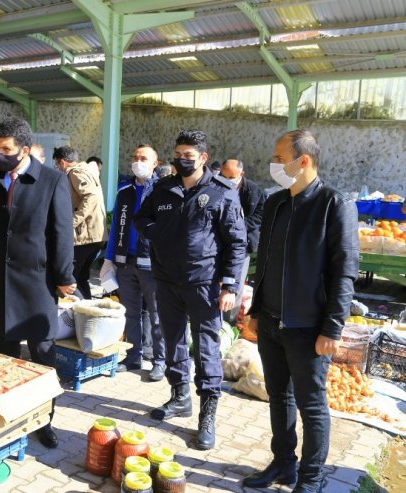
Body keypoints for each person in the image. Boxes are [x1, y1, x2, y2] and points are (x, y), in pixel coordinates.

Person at [242, 130, 359, 493]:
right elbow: (265, 263)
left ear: (303, 160)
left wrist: (333, 328)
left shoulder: (333, 205)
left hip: (308, 327)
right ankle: (283, 464)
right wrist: (257, 309)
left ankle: (311, 479)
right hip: (273, 321)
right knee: (279, 397)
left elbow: (345, 271)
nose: (274, 164)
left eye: (280, 157)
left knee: (311, 406)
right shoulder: (276, 203)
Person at [0, 117, 76, 449]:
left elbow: (61, 234)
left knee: (42, 353)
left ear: (24, 150)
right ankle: (11, 417)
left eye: (6, 150)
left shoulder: (52, 181)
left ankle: (44, 420)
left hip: (38, 282)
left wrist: (65, 277)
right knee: (6, 355)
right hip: (1, 280)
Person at [134, 129, 246, 450]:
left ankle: (207, 414)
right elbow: (142, 219)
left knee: (206, 347)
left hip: (205, 284)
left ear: (204, 158)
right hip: (167, 281)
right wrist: (157, 231)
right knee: (173, 341)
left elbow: (237, 243)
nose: (182, 160)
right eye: (178, 154)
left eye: (189, 156)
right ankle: (180, 397)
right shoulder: (164, 188)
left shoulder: (222, 192)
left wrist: (229, 286)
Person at [101, 144, 166, 381]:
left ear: (155, 163)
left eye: (144, 158)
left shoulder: (162, 191)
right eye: (135, 157)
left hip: (152, 264)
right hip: (125, 262)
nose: (138, 161)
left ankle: (159, 361)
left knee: (157, 315)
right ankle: (133, 357)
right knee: (131, 313)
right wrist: (108, 259)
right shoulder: (124, 191)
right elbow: (116, 224)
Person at [54, 146, 107, 299]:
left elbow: (91, 197)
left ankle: (82, 310)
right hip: (94, 235)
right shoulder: (88, 170)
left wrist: (72, 221)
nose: (57, 167)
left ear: (63, 162)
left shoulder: (76, 173)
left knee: (69, 277)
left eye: (58, 164)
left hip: (85, 235)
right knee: (81, 277)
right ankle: (87, 311)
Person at [219, 158, 265, 321]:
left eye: (231, 178)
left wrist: (238, 226)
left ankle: (229, 321)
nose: (227, 181)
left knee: (234, 283)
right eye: (224, 177)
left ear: (242, 174)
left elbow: (260, 216)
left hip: (242, 244)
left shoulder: (254, 191)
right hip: (218, 242)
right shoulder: (215, 186)